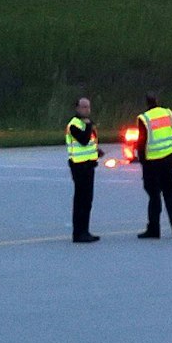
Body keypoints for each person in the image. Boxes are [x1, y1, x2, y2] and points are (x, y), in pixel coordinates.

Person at [135, 92, 172, 239]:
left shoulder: (144, 119)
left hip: (151, 164)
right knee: (169, 194)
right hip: (168, 161)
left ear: (146, 103)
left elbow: (141, 144)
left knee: (154, 197)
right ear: (157, 100)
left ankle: (154, 230)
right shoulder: (168, 114)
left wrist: (142, 163)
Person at [66, 97, 101, 243]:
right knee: (81, 200)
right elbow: (84, 140)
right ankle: (78, 233)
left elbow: (89, 143)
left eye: (88, 107)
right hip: (79, 166)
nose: (87, 110)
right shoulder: (74, 125)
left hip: (89, 165)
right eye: (84, 107)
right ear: (77, 108)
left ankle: (85, 230)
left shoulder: (87, 124)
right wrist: (88, 126)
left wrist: (96, 151)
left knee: (87, 200)